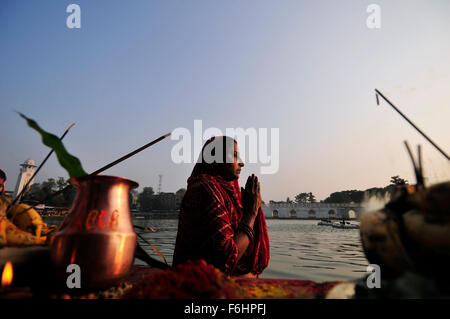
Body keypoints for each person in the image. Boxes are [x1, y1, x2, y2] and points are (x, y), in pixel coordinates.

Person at [173, 136, 270, 277]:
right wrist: (251, 213)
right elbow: (226, 259)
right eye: (235, 155)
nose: (242, 163)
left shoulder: (227, 193)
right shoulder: (205, 189)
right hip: (199, 283)